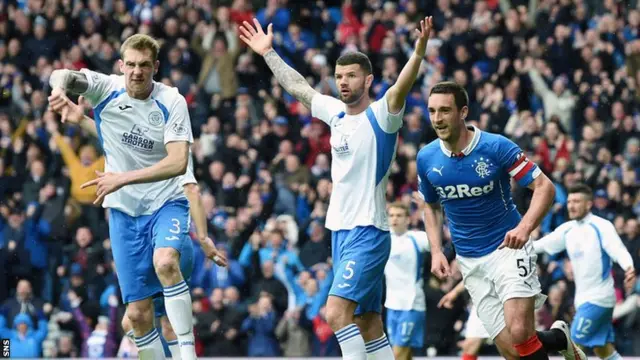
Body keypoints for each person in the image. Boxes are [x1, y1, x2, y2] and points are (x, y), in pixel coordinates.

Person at [239, 16, 433, 360]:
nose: (344, 82)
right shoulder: (335, 114)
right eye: (340, 76)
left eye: (352, 76)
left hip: (368, 230)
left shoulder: (381, 117)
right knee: (367, 321)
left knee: (336, 314)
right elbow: (299, 87)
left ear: (368, 79)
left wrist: (417, 53)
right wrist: (269, 53)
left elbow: (401, 87)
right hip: (340, 231)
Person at [47, 33, 225, 360]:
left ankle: (188, 354)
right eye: (130, 64)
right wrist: (59, 89)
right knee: (136, 319)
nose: (136, 71)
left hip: (166, 204)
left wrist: (202, 236)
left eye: (144, 65)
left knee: (166, 261)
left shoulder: (171, 101)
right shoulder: (106, 87)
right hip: (124, 214)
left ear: (155, 67)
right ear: (120, 65)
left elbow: (178, 164)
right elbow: (62, 74)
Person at [416, 81, 586, 360]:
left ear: (463, 112)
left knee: (520, 332)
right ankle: (559, 339)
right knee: (512, 350)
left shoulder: (496, 147)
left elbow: (545, 188)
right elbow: (431, 207)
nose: (437, 118)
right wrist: (436, 251)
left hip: (508, 249)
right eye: (432, 111)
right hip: (470, 262)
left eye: (445, 110)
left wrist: (524, 227)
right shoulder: (427, 158)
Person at [533, 184, 636, 360]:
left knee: (571, 344)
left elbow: (619, 250)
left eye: (577, 201)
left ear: (589, 204)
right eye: (569, 201)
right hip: (583, 299)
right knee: (602, 350)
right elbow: (541, 245)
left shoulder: (601, 226)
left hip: (599, 298)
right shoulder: (568, 229)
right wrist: (515, 247)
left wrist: (629, 267)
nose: (571, 205)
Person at [383, 202, 429, 360]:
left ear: (408, 219)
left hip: (412, 303)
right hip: (391, 304)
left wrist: (427, 212)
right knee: (405, 354)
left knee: (397, 353)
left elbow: (438, 240)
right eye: (391, 215)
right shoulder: (383, 239)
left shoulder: (417, 238)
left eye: (399, 215)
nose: (394, 219)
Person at [439, 280, 491, 360]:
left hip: (505, 295)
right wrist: (455, 292)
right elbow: (472, 272)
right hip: (482, 299)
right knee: (469, 346)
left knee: (509, 347)